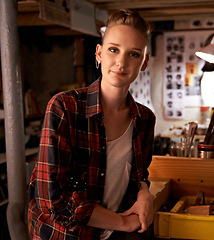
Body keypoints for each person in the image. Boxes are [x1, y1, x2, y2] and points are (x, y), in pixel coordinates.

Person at [27, 9, 156, 240]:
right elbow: (52, 199)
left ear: (144, 62)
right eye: (113, 50)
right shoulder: (64, 107)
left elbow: (138, 175)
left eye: (133, 54)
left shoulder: (145, 119)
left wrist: (145, 191)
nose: (121, 62)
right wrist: (124, 223)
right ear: (99, 54)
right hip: (65, 235)